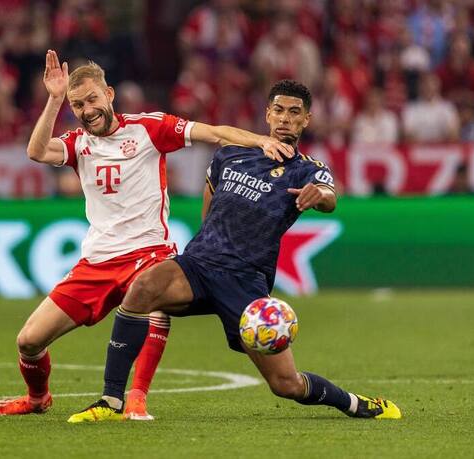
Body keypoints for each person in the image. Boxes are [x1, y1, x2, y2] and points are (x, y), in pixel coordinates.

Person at [0, 50, 294, 419]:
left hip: (149, 251)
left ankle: (135, 397)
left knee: (155, 302)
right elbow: (36, 151)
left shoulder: (149, 128)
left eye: (93, 99)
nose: (87, 110)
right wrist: (54, 99)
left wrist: (259, 140)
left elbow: (213, 132)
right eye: (78, 104)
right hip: (96, 261)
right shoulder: (78, 143)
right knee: (28, 341)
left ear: (110, 95)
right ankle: (38, 399)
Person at [70, 80, 401, 422]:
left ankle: (354, 403)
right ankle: (112, 401)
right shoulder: (231, 153)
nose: (285, 118)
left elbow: (329, 197)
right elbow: (209, 200)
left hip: (245, 283)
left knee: (287, 384)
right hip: (198, 266)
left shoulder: (308, 169)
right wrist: (207, 243)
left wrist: (319, 196)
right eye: (278, 110)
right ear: (267, 114)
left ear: (306, 120)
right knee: (142, 289)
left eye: (294, 113)